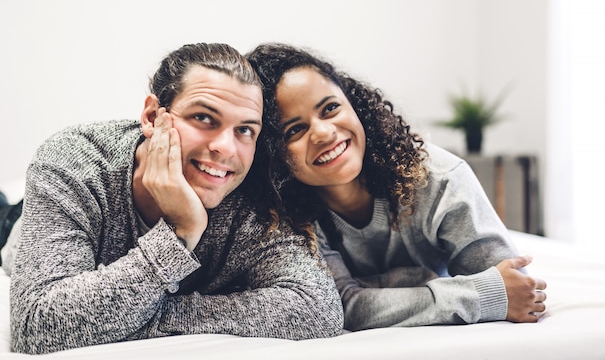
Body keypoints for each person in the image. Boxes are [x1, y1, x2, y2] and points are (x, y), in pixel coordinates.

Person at [8, 42, 343, 355]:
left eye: (244, 130)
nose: (226, 148)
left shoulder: (250, 197)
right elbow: (36, 326)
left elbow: (318, 308)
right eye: (203, 118)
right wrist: (179, 235)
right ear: (153, 116)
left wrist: (154, 313)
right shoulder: (75, 161)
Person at [245, 42, 548, 331]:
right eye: (295, 130)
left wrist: (374, 290)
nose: (323, 133)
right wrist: (440, 285)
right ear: (272, 156)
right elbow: (342, 305)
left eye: (330, 108)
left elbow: (513, 288)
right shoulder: (286, 216)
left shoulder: (440, 180)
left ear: (355, 106)